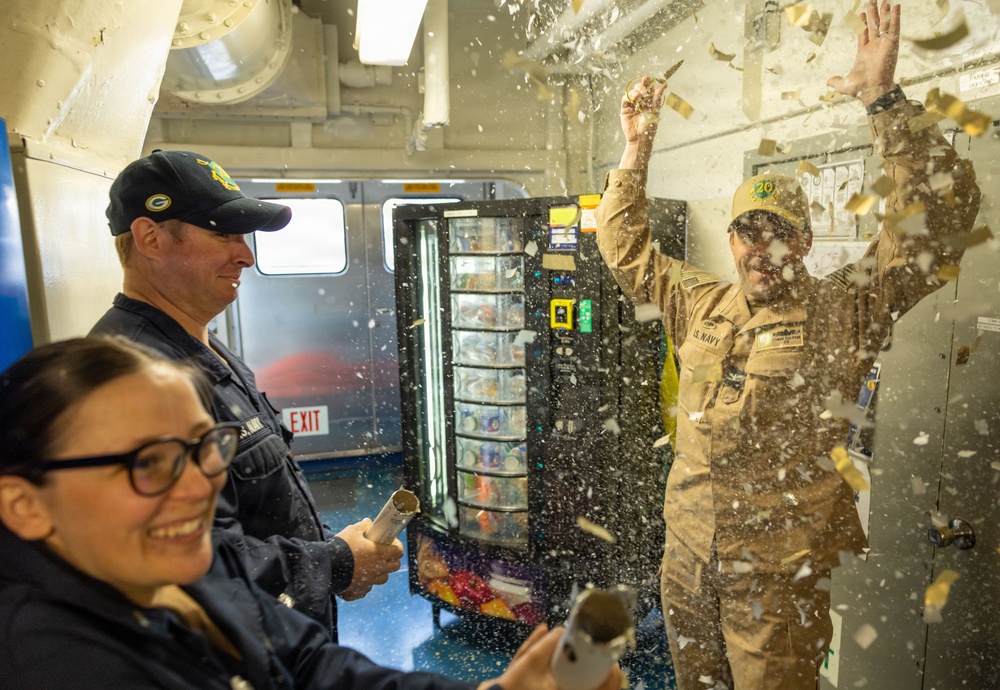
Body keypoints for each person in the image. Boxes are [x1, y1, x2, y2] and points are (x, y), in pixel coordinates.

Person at [596, 2, 980, 689]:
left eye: (778, 232)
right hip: (689, 560)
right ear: (732, 238)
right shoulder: (701, 301)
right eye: (748, 231)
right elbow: (624, 247)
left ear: (802, 241)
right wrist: (637, 147)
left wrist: (883, 100)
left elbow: (939, 225)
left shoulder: (846, 308)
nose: (761, 248)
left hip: (776, 582)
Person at [0, 337, 621, 690]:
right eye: (149, 463)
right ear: (24, 505)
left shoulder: (176, 571)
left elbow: (308, 665)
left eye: (204, 447)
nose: (199, 487)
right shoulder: (53, 664)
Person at [89, 149, 401, 639]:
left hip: (276, 640)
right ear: (150, 237)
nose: (246, 255)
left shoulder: (203, 345)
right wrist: (334, 563)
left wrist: (331, 553)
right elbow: (187, 564)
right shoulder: (136, 380)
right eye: (224, 234)